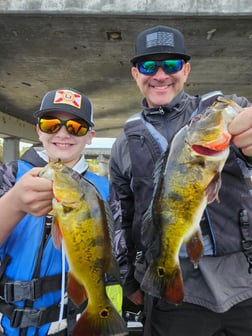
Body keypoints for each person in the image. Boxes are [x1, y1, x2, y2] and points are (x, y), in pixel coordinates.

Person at [108, 25, 252, 336]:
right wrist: (130, 281)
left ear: (186, 70)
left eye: (171, 65)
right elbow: (122, 218)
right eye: (148, 65)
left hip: (244, 283)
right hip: (174, 294)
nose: (160, 75)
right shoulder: (123, 145)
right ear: (135, 74)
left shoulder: (222, 110)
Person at [0, 87, 122, 335]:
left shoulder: (105, 191)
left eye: (76, 127)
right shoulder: (10, 175)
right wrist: (13, 203)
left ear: (90, 136)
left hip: (68, 325)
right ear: (38, 130)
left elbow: (116, 260)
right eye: (51, 124)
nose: (63, 133)